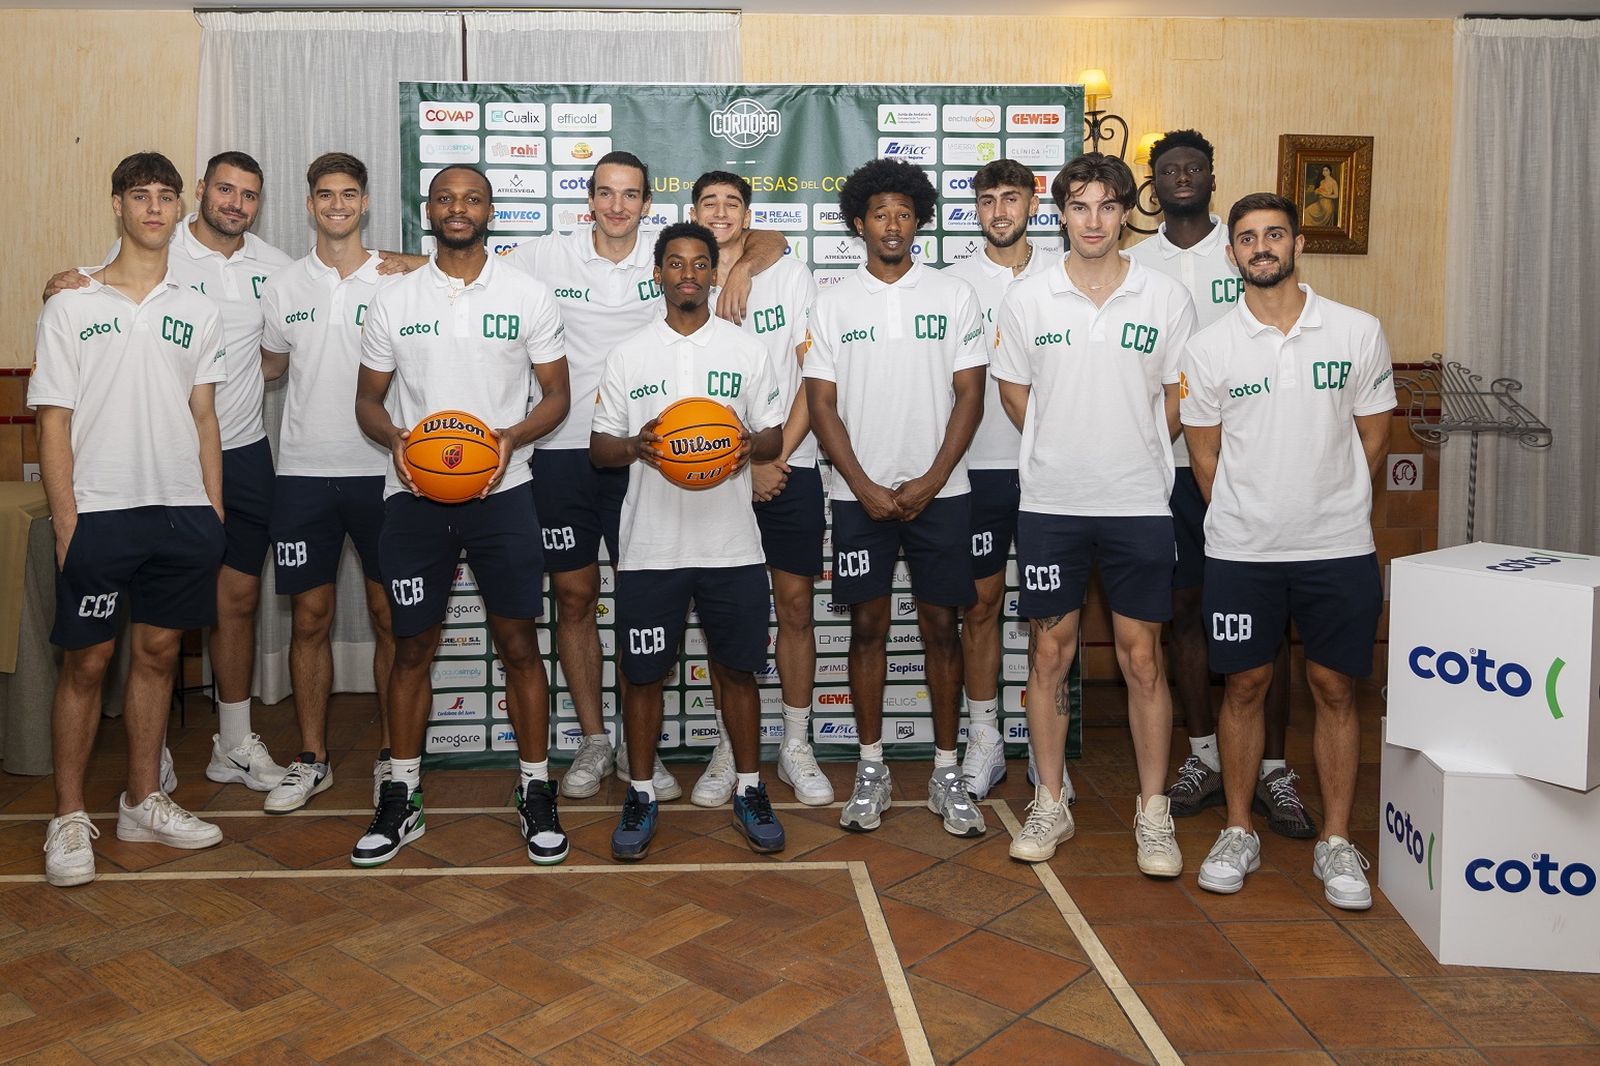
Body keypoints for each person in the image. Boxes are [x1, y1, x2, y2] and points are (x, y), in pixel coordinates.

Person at [495, 153, 787, 801]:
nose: (618, 205)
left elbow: (768, 237)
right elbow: (473, 265)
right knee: (573, 599)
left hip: (657, 460)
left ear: (650, 204)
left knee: (646, 599)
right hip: (567, 449)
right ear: (589, 200)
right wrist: (398, 262)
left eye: (630, 195)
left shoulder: (669, 259)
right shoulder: (548, 256)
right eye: (606, 193)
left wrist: (739, 262)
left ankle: (649, 749)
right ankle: (601, 741)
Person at [45, 151, 293, 795]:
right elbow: (96, 291)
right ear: (201, 193)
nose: (236, 203)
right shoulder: (159, 244)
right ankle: (145, 761)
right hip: (150, 470)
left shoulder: (276, 267)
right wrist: (59, 281)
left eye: (249, 194)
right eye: (225, 189)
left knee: (235, 601)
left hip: (238, 454)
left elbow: (282, 350)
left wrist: (410, 261)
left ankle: (234, 742)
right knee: (126, 638)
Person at [350, 164, 571, 867]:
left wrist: (510, 440)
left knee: (518, 646)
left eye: (471, 198)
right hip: (414, 497)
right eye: (446, 198)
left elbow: (557, 397)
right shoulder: (395, 298)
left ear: (489, 210)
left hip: (503, 493)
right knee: (412, 646)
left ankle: (535, 789)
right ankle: (403, 794)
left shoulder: (528, 294)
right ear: (429, 209)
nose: (458, 208)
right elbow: (368, 401)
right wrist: (399, 445)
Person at [1185, 192, 1395, 908]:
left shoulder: (1357, 332)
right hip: (1242, 552)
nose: (1262, 247)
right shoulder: (1209, 346)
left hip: (1338, 548)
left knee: (1336, 690)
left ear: (1297, 243)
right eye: (1248, 238)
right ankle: (1239, 829)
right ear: (1232, 253)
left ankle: (1337, 843)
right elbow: (1205, 459)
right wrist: (1254, 517)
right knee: (1244, 687)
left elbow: (1374, 438)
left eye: (1274, 234)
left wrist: (1326, 503)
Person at [992, 152, 1195, 874]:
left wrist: (1138, 445)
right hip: (1051, 504)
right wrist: (1061, 443)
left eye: (1108, 206)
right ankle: (1050, 802)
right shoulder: (1029, 297)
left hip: (1141, 503)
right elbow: (1014, 391)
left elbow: (1181, 392)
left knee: (1143, 660)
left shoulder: (1164, 296)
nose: (1094, 221)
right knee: (1049, 653)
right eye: (1079, 207)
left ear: (1126, 212)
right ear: (1060, 214)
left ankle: (1153, 812)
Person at [34, 152, 229, 886]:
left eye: (166, 197)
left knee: (155, 657)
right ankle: (67, 815)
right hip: (101, 513)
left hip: (182, 514)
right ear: (116, 205)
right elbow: (53, 423)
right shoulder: (71, 303)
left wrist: (213, 508)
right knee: (87, 664)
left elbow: (204, 416)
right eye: (140, 196)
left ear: (182, 209)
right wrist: (66, 523)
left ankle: (143, 800)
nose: (154, 208)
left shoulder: (197, 309)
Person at [1126, 130, 1313, 839]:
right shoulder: (1135, 261)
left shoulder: (1238, 249)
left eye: (1194, 167)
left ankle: (1273, 766)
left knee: (1271, 621)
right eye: (1168, 167)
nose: (1181, 176)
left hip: (1258, 463)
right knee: (1183, 610)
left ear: (1210, 175)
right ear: (1153, 180)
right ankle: (1203, 755)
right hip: (1168, 468)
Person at [805, 158, 989, 838]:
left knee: (945, 629)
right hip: (860, 497)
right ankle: (872, 766)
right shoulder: (831, 303)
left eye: (904, 214)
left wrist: (933, 479)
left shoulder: (952, 295)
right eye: (880, 213)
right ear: (859, 222)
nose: (892, 225)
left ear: (919, 221)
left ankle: (947, 770)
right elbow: (821, 405)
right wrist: (861, 484)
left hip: (943, 493)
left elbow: (971, 395)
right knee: (868, 629)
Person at [591, 222, 787, 859]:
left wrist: (740, 441)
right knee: (643, 676)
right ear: (659, 275)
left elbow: (774, 439)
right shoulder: (628, 355)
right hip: (650, 549)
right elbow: (599, 450)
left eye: (699, 264)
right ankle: (642, 790)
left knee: (739, 672)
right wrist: (638, 446)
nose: (687, 275)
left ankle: (750, 788)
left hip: (732, 547)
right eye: (674, 264)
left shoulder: (745, 349)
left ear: (712, 273)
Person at [686, 171, 831, 808]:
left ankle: (797, 743)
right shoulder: (677, 273)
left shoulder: (786, 272)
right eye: (709, 203)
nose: (721, 212)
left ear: (748, 215)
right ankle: (729, 742)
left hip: (788, 465)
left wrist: (777, 456)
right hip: (711, 475)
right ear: (691, 211)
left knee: (796, 609)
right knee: (730, 621)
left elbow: (811, 374)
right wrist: (737, 467)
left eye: (733, 203)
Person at [256, 153, 396, 813]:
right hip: (304, 475)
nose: (336, 204)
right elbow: (273, 368)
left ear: (363, 202)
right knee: (309, 619)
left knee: (387, 617)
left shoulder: (397, 279)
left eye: (348, 194)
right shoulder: (283, 285)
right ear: (309, 205)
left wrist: (418, 262)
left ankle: (398, 758)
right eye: (324, 195)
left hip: (384, 474)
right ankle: (312, 759)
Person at [941, 159, 1065, 803]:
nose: (998, 211)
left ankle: (1051, 759)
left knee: (1052, 616)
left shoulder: (1068, 273)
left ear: (1032, 203)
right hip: (979, 470)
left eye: (1010, 198)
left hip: (1055, 472)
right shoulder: (954, 282)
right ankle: (984, 737)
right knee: (981, 607)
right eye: (987, 200)